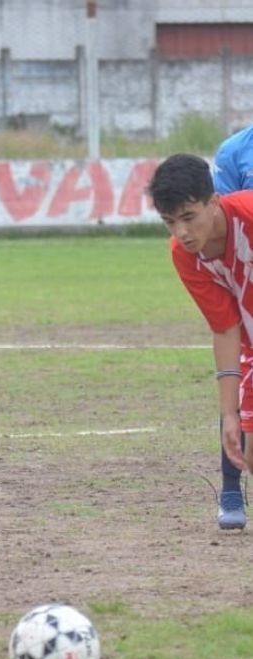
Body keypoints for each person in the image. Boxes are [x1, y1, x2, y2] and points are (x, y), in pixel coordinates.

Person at [148, 153, 250, 530]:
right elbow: (225, 328)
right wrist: (229, 414)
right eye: (169, 222)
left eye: (189, 217)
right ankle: (231, 489)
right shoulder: (185, 256)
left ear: (214, 202)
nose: (182, 232)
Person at [206, 127, 253, 529]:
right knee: (238, 380)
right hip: (244, 279)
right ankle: (231, 488)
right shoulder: (235, 151)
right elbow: (217, 221)